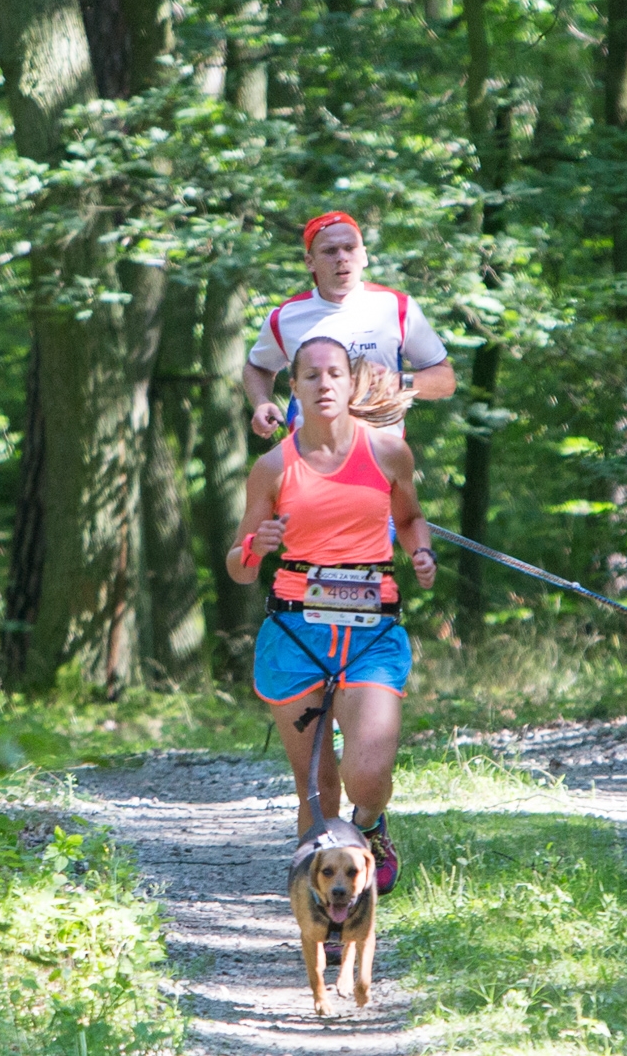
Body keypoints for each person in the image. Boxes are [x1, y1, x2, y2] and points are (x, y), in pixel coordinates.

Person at [227, 333, 437, 903]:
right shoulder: (272, 467)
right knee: (317, 791)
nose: (324, 384)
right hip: (296, 632)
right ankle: (326, 913)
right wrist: (255, 547)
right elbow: (239, 567)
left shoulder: (388, 452)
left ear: (351, 385)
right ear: (293, 387)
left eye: (335, 374)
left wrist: (421, 552)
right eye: (311, 375)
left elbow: (412, 518)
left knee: (365, 775)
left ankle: (370, 825)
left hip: (371, 634)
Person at [244, 211, 456, 438]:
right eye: (329, 251)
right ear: (310, 262)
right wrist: (261, 402)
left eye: (350, 248)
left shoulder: (396, 307)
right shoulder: (286, 317)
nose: (342, 257)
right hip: (310, 455)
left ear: (364, 256)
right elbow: (258, 368)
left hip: (381, 452)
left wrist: (396, 381)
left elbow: (445, 381)